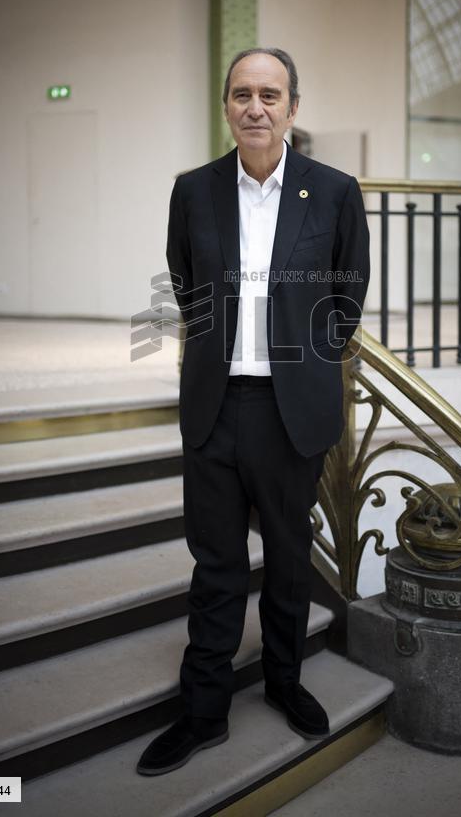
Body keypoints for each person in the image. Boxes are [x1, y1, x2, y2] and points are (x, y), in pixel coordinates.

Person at [136, 48, 370, 776]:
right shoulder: (194, 190)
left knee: (290, 560)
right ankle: (203, 712)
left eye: (271, 94)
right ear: (227, 106)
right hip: (215, 406)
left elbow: (349, 287)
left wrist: (306, 356)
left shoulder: (331, 190)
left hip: (289, 411)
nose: (256, 106)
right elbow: (182, 279)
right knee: (216, 566)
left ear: (293, 108)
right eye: (242, 93)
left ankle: (284, 682)